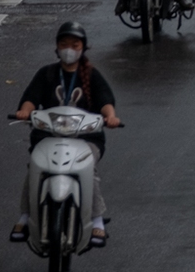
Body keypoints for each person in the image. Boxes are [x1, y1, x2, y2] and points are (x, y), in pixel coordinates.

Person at [10, 22, 120, 247]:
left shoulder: (91, 74)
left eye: (74, 44)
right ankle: (25, 216)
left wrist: (111, 117)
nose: (69, 49)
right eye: (64, 44)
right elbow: (30, 97)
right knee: (34, 168)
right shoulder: (46, 73)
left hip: (86, 139)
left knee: (89, 169)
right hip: (47, 136)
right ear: (57, 47)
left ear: (83, 48)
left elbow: (106, 101)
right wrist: (25, 111)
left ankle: (97, 219)